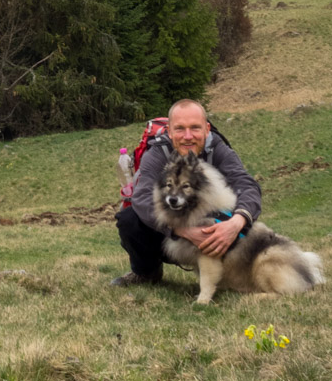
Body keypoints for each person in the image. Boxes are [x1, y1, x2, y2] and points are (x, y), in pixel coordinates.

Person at [112, 99, 261, 286]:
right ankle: (146, 272)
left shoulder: (219, 150)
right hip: (168, 236)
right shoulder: (158, 153)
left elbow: (247, 186)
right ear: (170, 130)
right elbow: (141, 197)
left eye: (195, 128)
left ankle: (234, 274)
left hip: (214, 231)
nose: (188, 136)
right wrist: (183, 231)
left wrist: (236, 223)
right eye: (180, 128)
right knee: (129, 219)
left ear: (207, 129)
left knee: (246, 220)